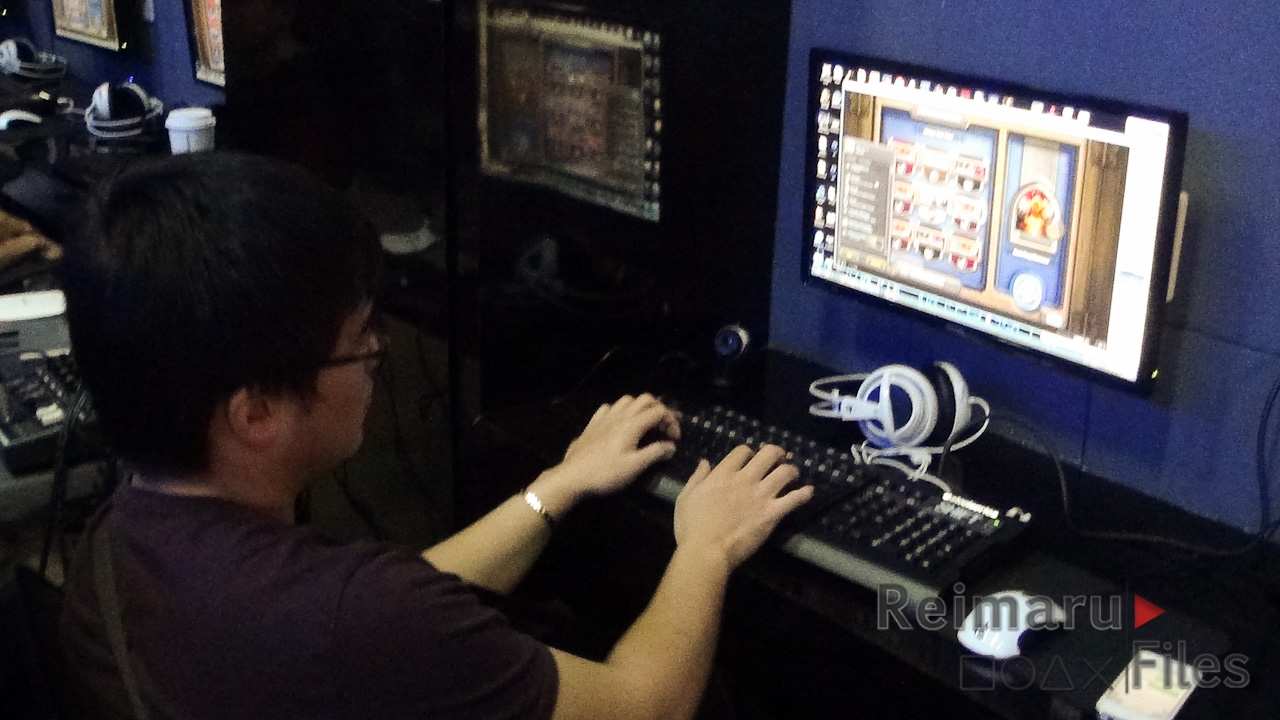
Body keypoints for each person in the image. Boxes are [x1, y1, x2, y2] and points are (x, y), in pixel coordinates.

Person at [58, 151, 812, 720]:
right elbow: (643, 705)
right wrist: (706, 547)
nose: (376, 359)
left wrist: (558, 485)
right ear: (254, 413)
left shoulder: (113, 542)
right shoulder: (357, 622)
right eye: (360, 341)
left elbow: (399, 608)